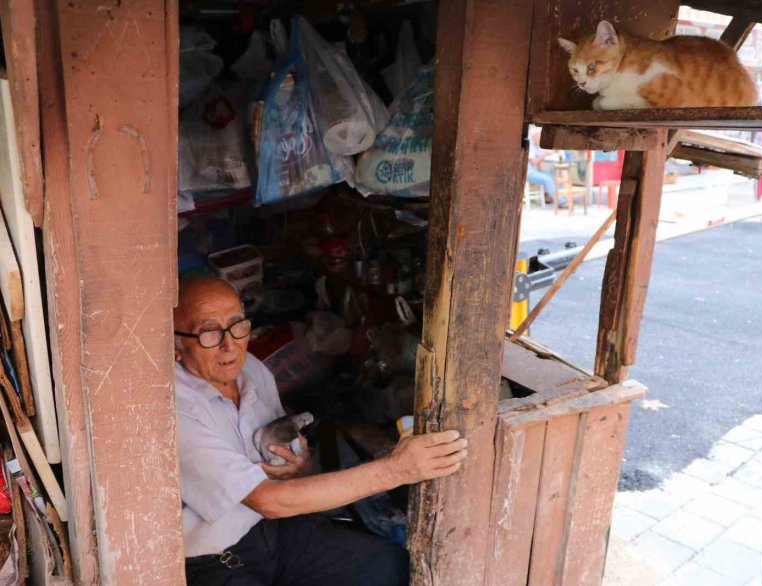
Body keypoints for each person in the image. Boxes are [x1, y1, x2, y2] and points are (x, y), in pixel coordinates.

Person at [173, 276, 468, 585]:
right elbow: (267, 500)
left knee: (385, 565)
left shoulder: (251, 369)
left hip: (275, 532)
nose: (229, 344)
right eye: (208, 332)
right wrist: (398, 469)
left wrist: (298, 468)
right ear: (176, 344)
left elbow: (282, 463)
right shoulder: (172, 407)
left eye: (237, 325)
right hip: (214, 561)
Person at [526, 125, 558, 204]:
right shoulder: (530, 145)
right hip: (528, 173)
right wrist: (545, 154)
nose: (541, 138)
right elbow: (534, 162)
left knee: (553, 177)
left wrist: (541, 161)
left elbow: (537, 161)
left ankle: (563, 198)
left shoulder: (537, 145)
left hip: (534, 171)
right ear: (535, 136)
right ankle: (561, 201)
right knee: (547, 179)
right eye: (540, 136)